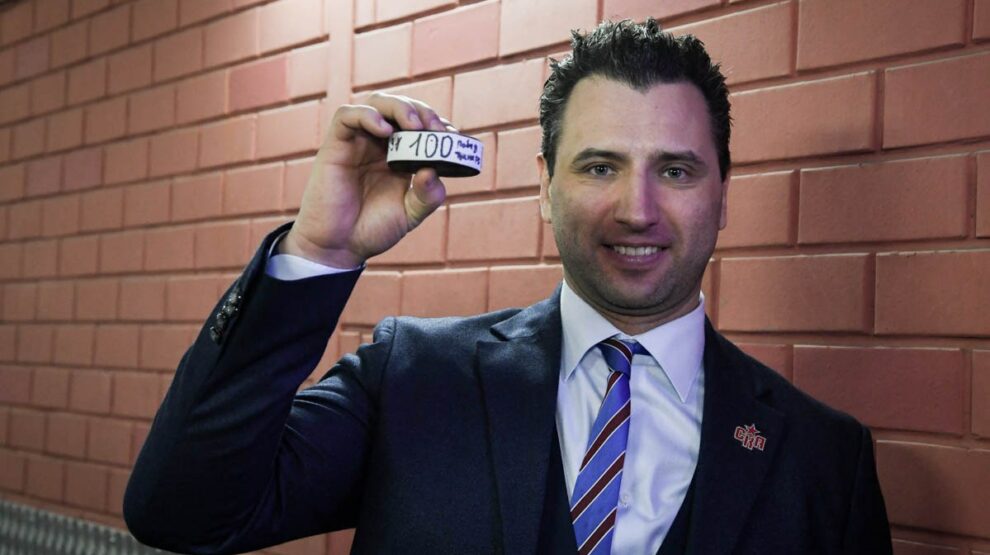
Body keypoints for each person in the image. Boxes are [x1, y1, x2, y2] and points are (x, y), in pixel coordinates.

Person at [124, 19, 892, 555]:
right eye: (600, 165)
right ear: (543, 188)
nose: (637, 208)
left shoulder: (825, 458)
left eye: (676, 170)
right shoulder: (413, 377)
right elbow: (183, 511)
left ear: (723, 196)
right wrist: (317, 251)